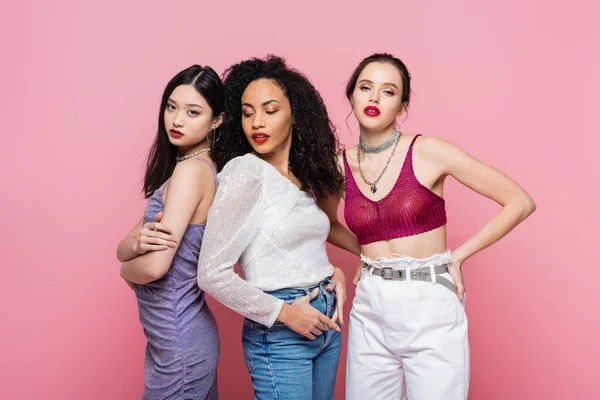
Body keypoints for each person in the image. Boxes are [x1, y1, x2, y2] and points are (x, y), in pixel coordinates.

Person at [321, 53, 536, 400]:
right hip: (370, 306)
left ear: (402, 105)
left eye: (388, 92)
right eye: (365, 87)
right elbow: (326, 223)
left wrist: (459, 257)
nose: (374, 98)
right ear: (351, 95)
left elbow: (519, 201)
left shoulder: (428, 152)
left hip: (430, 302)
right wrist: (367, 253)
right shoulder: (339, 165)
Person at [196, 55, 347, 400]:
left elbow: (301, 245)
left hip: (326, 321)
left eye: (269, 110)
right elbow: (211, 273)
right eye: (248, 113)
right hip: (281, 330)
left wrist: (333, 272)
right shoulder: (244, 172)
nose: (257, 123)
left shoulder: (304, 175)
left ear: (295, 113)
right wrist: (284, 314)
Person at [116, 65, 224, 400]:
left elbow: (153, 267)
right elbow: (123, 247)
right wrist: (134, 243)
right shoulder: (183, 169)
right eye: (171, 107)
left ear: (216, 120)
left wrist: (125, 268)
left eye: (193, 112)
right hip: (176, 340)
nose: (177, 120)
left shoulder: (192, 171)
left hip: (180, 341)